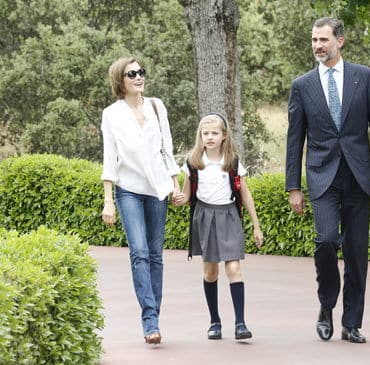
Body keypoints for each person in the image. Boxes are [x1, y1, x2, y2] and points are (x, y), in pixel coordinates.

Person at [285, 17, 370, 344]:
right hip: (321, 177)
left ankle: (351, 323)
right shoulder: (302, 85)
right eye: (314, 40)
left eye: (323, 40)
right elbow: (295, 140)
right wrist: (294, 186)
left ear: (340, 41)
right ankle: (326, 306)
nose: (318, 46)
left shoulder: (364, 77)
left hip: (358, 175)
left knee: (356, 252)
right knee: (325, 240)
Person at [101, 56, 181, 345]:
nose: (138, 77)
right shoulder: (111, 114)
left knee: (156, 256)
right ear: (119, 81)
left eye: (140, 72)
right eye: (131, 73)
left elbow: (166, 150)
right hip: (128, 190)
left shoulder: (157, 106)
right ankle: (150, 319)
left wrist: (175, 185)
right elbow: (110, 157)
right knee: (139, 253)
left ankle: (153, 318)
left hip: (157, 190)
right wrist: (108, 200)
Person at [173, 113, 264, 341]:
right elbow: (186, 195)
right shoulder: (193, 162)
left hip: (229, 215)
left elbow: (245, 193)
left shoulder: (232, 161)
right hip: (204, 216)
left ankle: (240, 323)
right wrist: (177, 198)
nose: (210, 137)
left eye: (215, 133)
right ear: (200, 137)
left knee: (234, 269)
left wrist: (256, 225)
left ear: (224, 136)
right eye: (206, 133)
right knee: (210, 272)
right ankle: (215, 322)